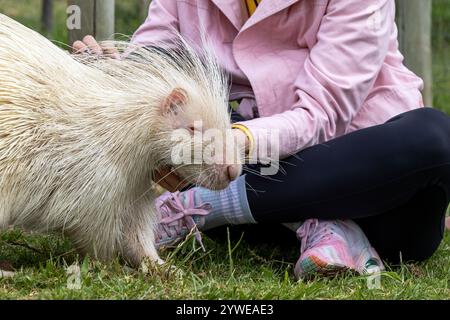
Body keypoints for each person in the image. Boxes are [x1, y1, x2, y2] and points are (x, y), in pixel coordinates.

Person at [73, 0, 450, 278]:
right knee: (189, 121)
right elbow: (156, 58)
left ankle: (195, 205)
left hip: (371, 180)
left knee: (433, 136)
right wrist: (115, 76)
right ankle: (316, 225)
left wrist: (223, 149)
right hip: (254, 170)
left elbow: (321, 115)